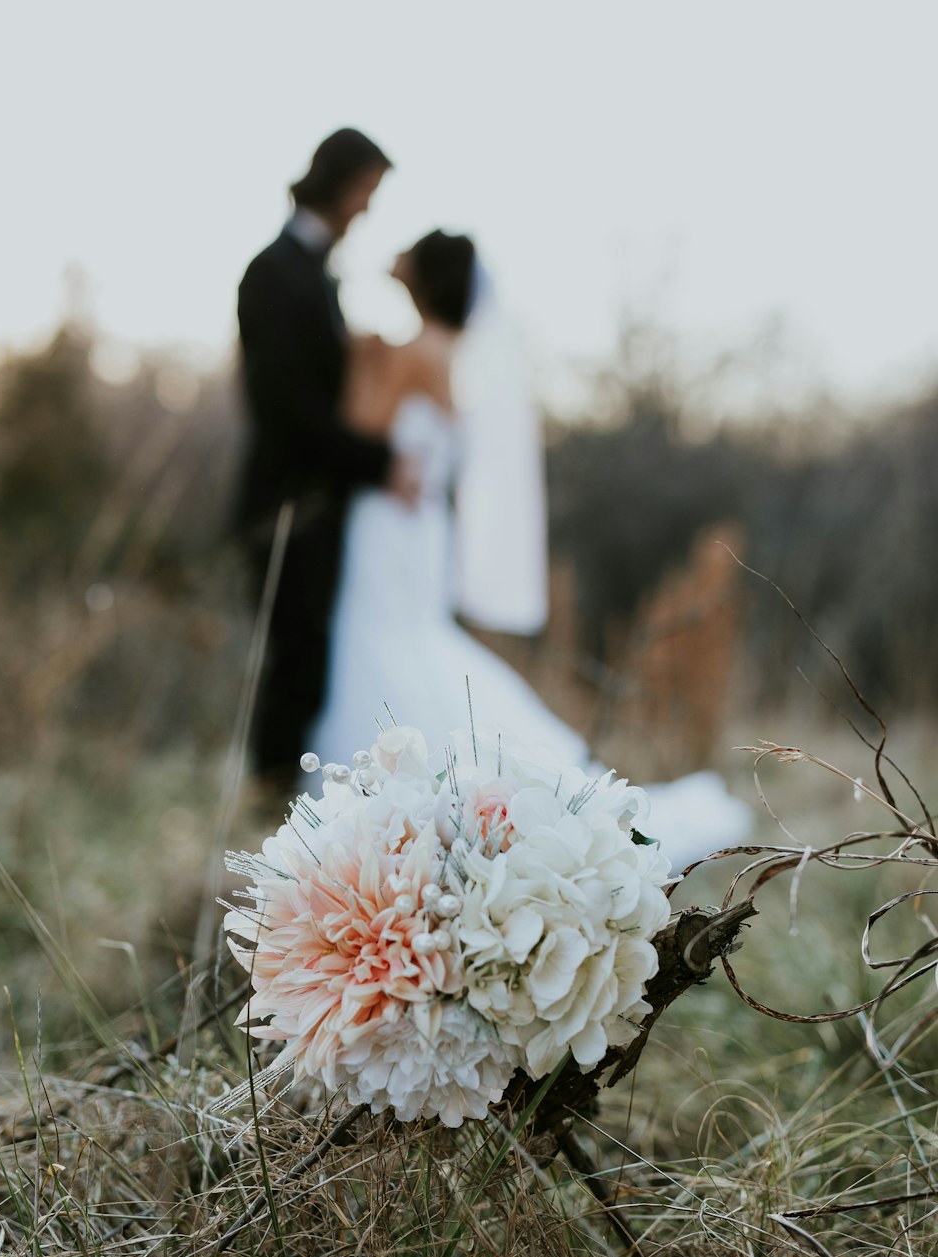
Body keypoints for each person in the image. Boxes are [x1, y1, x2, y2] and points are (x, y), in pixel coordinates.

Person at [308, 230, 752, 873]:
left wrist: (363, 358)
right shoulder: (453, 350)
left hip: (387, 521)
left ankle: (384, 797)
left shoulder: (413, 351)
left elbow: (361, 427)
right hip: (415, 524)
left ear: (425, 278)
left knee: (381, 637)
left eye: (408, 254)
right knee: (402, 638)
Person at [234, 128, 416, 786]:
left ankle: (282, 799)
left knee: (309, 661)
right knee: (294, 662)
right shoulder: (273, 273)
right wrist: (377, 460)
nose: (366, 209)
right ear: (338, 184)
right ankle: (269, 800)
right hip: (287, 507)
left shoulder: (314, 275)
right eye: (366, 191)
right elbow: (284, 406)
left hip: (321, 505)